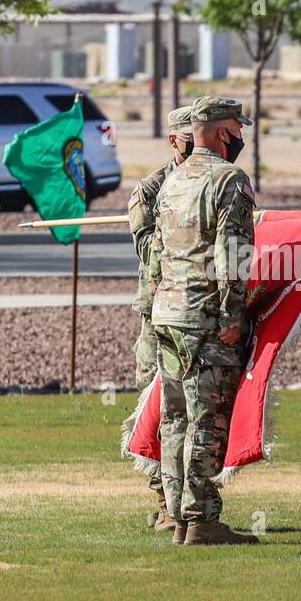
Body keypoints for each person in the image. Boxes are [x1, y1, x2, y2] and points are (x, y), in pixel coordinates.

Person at [149, 96, 259, 546]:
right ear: (218, 133)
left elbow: (158, 248)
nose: (240, 138)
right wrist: (233, 312)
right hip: (205, 317)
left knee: (175, 417)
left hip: (169, 312)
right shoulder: (229, 179)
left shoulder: (173, 179)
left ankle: (177, 514)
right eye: (236, 129)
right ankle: (202, 518)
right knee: (207, 419)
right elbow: (234, 254)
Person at [125, 105, 193, 532]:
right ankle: (165, 501)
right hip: (160, 316)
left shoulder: (217, 184)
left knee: (198, 411)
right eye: (190, 139)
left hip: (199, 315)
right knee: (157, 408)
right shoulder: (150, 191)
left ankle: (195, 499)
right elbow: (151, 249)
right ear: (174, 140)